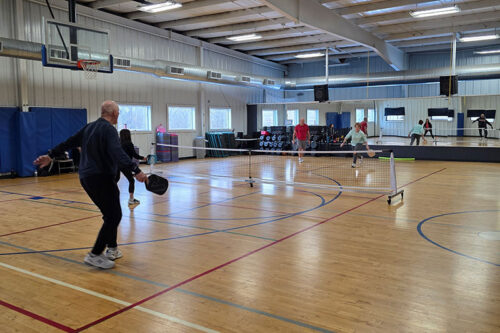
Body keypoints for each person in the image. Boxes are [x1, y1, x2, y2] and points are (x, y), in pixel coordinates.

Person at [34, 101, 148, 269]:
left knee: (110, 213)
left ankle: (112, 249)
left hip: (87, 177)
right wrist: (136, 170)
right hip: (100, 177)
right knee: (114, 215)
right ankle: (95, 254)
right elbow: (118, 153)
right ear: (115, 114)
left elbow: (69, 142)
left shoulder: (89, 127)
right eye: (118, 113)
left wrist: (51, 155)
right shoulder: (109, 130)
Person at [118, 129, 147, 206]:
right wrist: (143, 158)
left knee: (114, 181)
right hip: (125, 165)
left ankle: (109, 199)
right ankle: (131, 199)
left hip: (117, 164)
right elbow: (135, 155)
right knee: (131, 180)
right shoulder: (128, 143)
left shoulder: (118, 143)